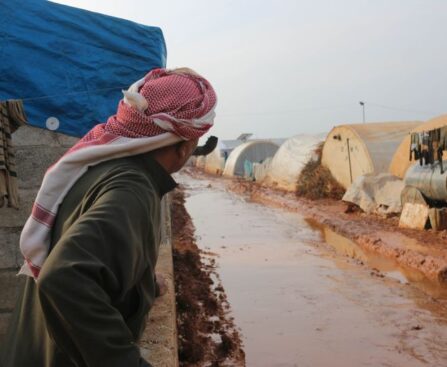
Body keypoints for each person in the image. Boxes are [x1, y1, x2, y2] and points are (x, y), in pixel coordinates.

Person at [1, 67, 217, 367]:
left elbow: (98, 253)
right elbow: (64, 276)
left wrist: (143, 284)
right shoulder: (132, 190)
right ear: (184, 146)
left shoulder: (105, 168)